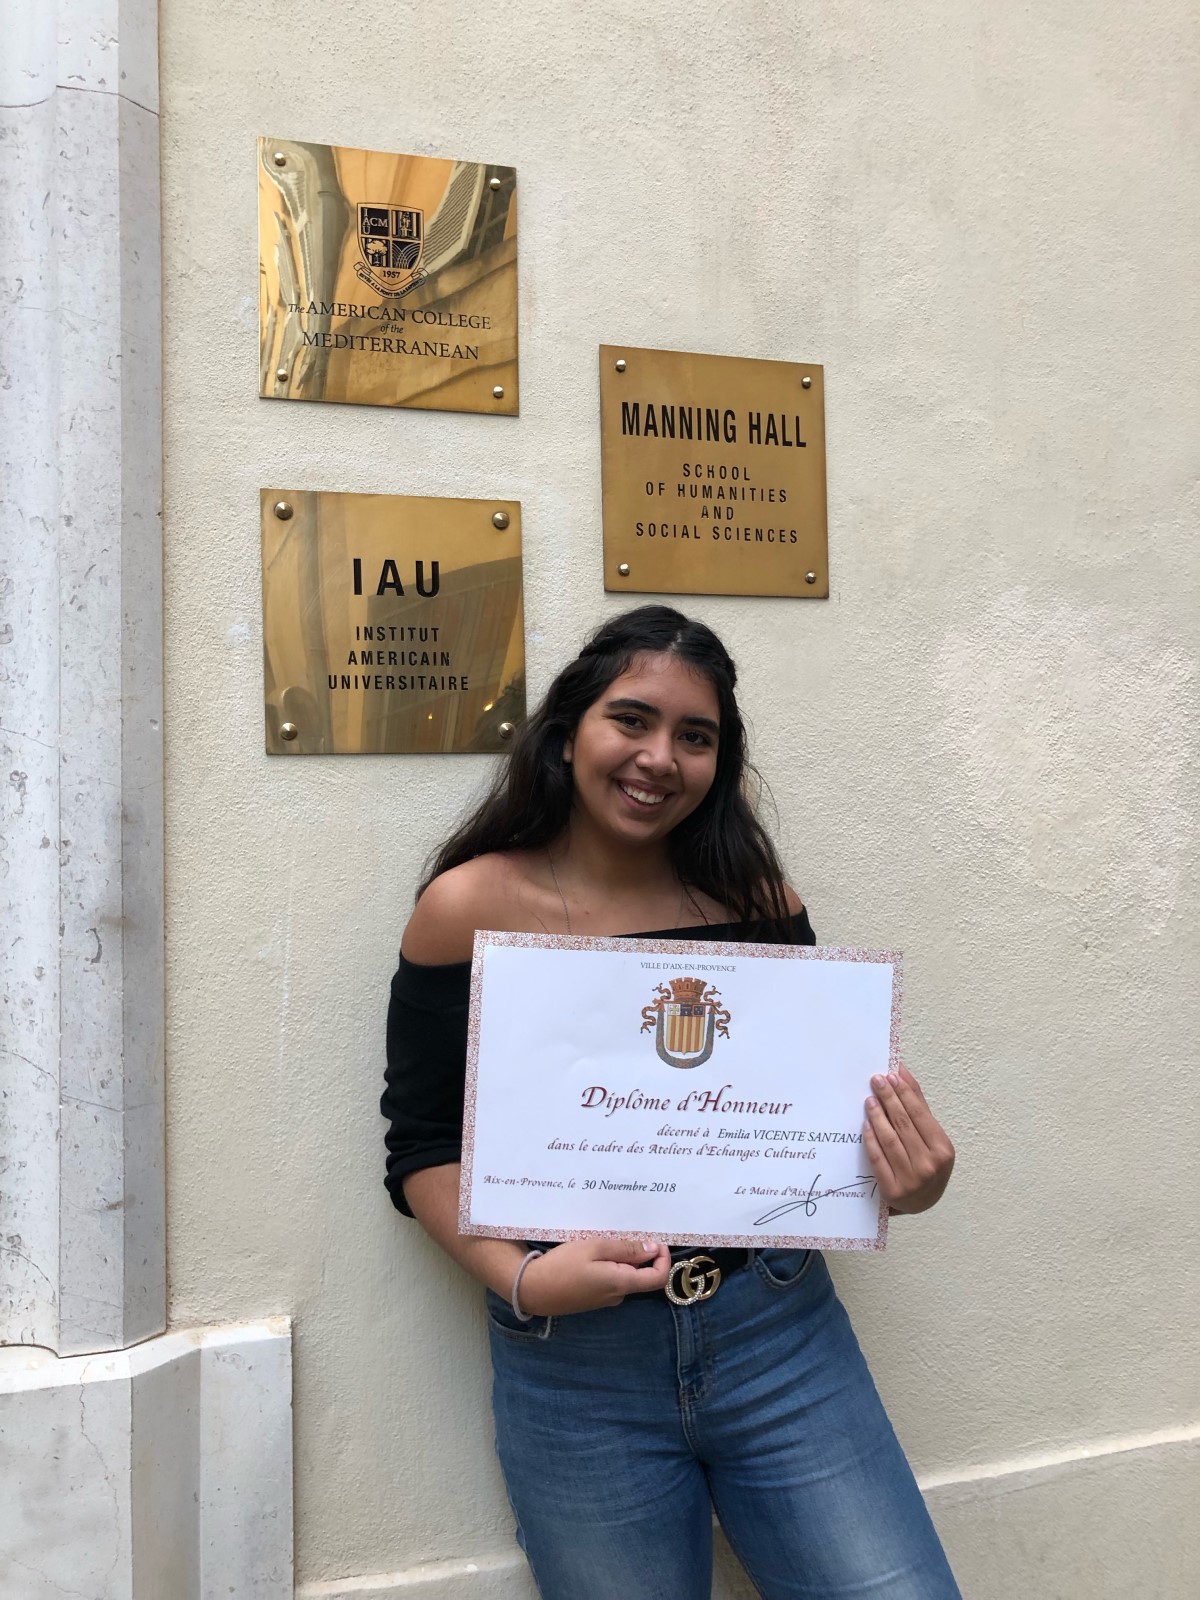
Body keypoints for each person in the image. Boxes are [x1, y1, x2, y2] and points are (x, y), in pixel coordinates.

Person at [382, 604, 960, 1600]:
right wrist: (524, 1281)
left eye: (697, 736)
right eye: (633, 719)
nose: (661, 756)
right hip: (575, 1361)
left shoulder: (756, 897)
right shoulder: (466, 909)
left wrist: (900, 1176)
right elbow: (424, 1147)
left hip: (778, 1328)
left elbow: (807, 1115)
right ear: (569, 731)